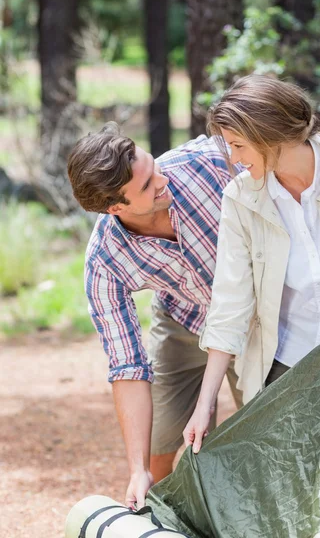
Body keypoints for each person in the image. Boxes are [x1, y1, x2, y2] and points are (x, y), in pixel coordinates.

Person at [183, 74, 320, 453]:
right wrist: (205, 405)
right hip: (285, 368)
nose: (233, 159)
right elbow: (230, 302)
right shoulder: (239, 197)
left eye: (238, 145)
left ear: (272, 135)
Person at [67, 122, 243, 508]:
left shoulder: (207, 163)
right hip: (185, 319)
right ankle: (156, 518)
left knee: (269, 428)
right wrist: (136, 468)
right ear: (115, 208)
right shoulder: (104, 262)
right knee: (161, 443)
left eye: (152, 167)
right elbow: (127, 365)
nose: (162, 179)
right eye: (146, 185)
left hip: (259, 315)